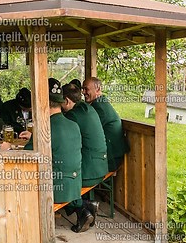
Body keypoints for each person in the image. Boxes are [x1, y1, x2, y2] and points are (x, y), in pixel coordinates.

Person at [22, 78, 93, 233]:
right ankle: (84, 207)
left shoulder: (44, 128)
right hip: (75, 187)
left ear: (43, 102)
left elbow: (26, 157)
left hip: (57, 190)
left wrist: (8, 148)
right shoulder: (73, 125)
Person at [62, 82, 108, 223]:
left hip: (90, 173)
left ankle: (83, 207)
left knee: (60, 178)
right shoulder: (87, 108)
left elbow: (64, 144)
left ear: (67, 101)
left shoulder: (72, 116)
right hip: (102, 166)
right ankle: (86, 206)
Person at [82, 77, 129, 171]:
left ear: (98, 89)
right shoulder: (100, 102)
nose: (83, 92)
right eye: (82, 89)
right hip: (111, 155)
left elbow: (86, 131)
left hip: (111, 159)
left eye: (86, 89)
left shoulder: (99, 107)